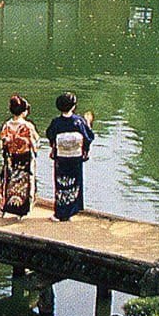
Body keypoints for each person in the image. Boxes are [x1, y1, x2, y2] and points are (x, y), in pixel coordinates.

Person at [44, 91, 95, 221]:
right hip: (75, 158)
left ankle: (60, 213)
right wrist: (88, 123)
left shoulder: (56, 122)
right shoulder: (79, 122)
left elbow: (50, 135)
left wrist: (55, 146)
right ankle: (71, 211)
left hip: (61, 158)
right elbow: (88, 137)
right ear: (73, 106)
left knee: (61, 184)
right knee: (74, 183)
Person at [0, 95, 38, 218]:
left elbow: (2, 141)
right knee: (24, 183)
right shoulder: (27, 126)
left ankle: (4, 208)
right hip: (24, 158)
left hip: (10, 157)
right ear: (24, 112)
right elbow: (34, 141)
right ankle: (21, 210)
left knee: (8, 181)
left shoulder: (7, 125)